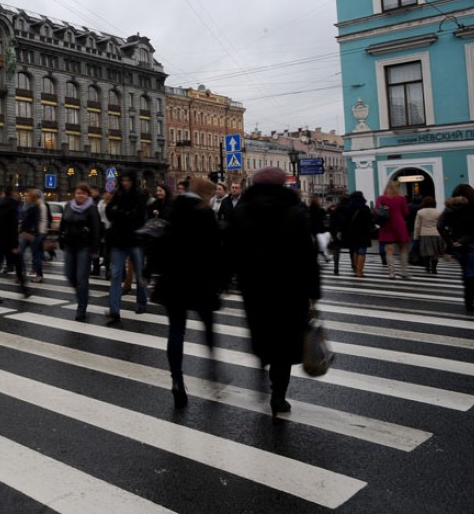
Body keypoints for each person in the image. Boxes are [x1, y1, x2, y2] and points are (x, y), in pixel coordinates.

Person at [228, 167, 320, 415]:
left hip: (255, 287)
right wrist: (314, 291)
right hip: (289, 288)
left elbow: (230, 248)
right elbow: (307, 254)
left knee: (262, 333)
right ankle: (278, 395)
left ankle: (261, 367)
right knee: (284, 343)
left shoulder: (243, 210)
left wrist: (227, 279)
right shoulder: (294, 210)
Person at [154, 177, 224, 408]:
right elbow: (215, 250)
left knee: (176, 331)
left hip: (173, 281)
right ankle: (213, 368)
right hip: (200, 282)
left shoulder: (172, 209)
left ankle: (176, 380)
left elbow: (160, 243)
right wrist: (221, 282)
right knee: (208, 327)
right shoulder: (206, 214)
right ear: (206, 194)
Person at [105, 170, 148, 326]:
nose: (125, 183)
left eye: (128, 180)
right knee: (116, 274)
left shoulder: (139, 196)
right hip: (119, 240)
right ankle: (114, 310)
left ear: (133, 181)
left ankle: (142, 302)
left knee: (139, 272)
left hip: (135, 239)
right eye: (123, 180)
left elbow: (138, 216)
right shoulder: (118, 195)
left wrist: (120, 213)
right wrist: (123, 214)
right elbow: (109, 211)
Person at [437, 184, 474, 312]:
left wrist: (451, 241)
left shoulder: (449, 208)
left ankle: (469, 293)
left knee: (466, 270)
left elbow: (440, 226)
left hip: (457, 246)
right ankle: (469, 298)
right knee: (470, 272)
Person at [60, 182, 101, 322]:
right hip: (70, 245)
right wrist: (61, 239)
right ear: (75, 194)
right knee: (69, 274)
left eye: (83, 193)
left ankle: (81, 308)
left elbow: (96, 229)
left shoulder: (91, 208)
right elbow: (63, 224)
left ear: (88, 195)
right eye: (78, 193)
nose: (80, 195)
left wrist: (95, 249)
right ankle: (82, 295)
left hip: (85, 246)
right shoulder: (68, 206)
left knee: (81, 278)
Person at [0, 186, 24, 303]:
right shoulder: (14, 205)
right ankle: (24, 288)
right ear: (13, 193)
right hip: (9, 240)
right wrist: (15, 244)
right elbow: (13, 226)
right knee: (18, 264)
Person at [376, 180, 410, 280]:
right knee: (403, 249)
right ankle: (404, 271)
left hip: (386, 225)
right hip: (399, 224)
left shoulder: (381, 198)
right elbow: (406, 213)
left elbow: (375, 211)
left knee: (389, 250)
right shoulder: (401, 199)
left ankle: (392, 273)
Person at [18, 189, 48, 283]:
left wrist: (38, 233)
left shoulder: (39, 206)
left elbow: (40, 221)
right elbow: (24, 219)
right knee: (20, 253)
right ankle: (21, 275)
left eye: (28, 196)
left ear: (33, 197)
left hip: (34, 234)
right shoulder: (27, 205)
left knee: (36, 255)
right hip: (26, 233)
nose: (25, 197)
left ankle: (39, 275)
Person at [342, 191, 374, 278]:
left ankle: (356, 270)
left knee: (355, 250)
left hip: (352, 232)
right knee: (362, 251)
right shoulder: (365, 208)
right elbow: (369, 220)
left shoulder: (348, 208)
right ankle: (360, 271)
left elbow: (345, 221)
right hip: (363, 232)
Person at [412, 196, 444, 274]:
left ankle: (427, 267)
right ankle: (434, 268)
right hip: (436, 234)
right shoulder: (438, 212)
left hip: (424, 234)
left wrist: (416, 237)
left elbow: (417, 226)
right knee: (435, 253)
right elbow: (441, 224)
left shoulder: (420, 212)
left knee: (425, 252)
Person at [307, 196, 330, 263]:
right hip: (317, 230)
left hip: (312, 230)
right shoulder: (319, 209)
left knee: (317, 245)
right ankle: (322, 256)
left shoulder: (309, 209)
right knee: (318, 245)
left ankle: (322, 256)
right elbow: (323, 217)